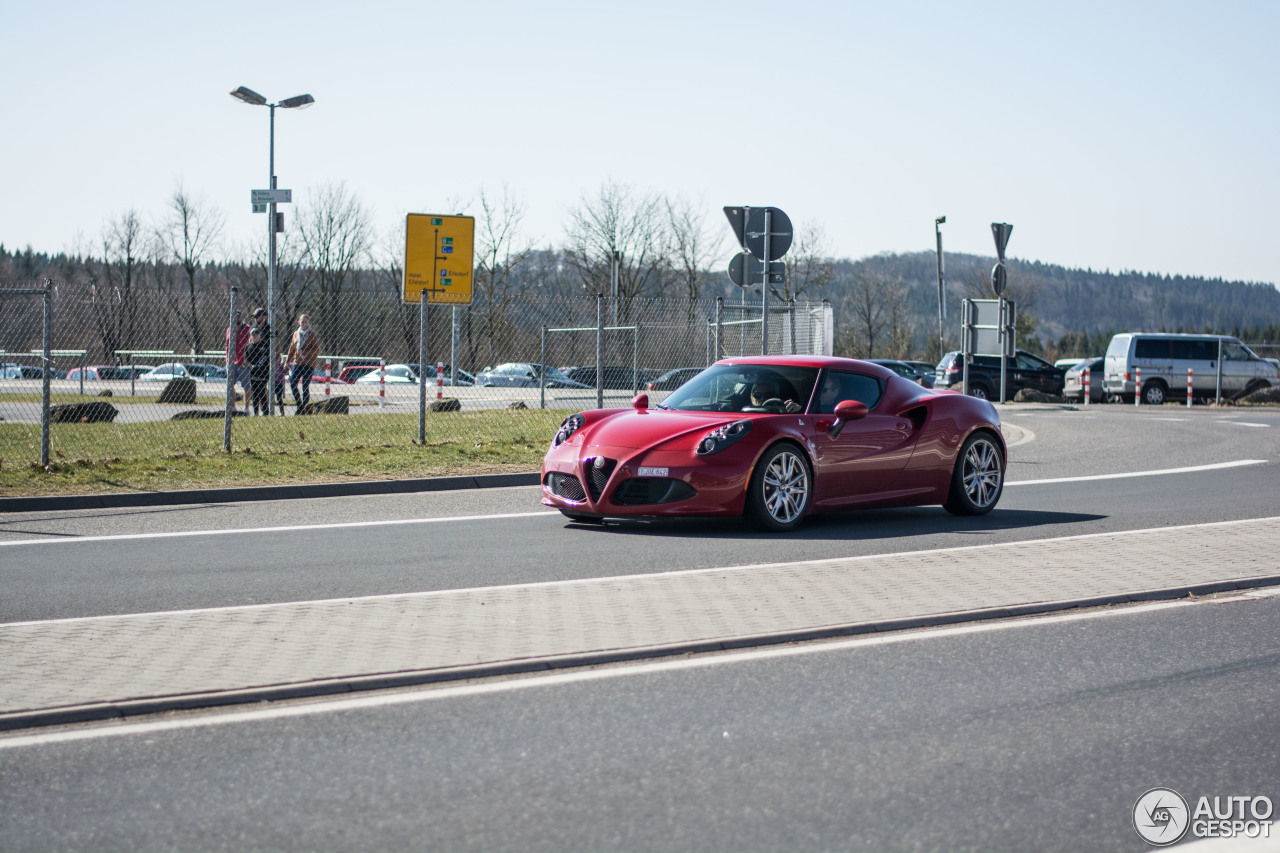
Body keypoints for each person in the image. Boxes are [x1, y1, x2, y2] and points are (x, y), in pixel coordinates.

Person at [286, 313, 320, 413]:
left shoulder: (312, 335)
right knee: (293, 384)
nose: (304, 324)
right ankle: (299, 405)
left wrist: (304, 352)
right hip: (297, 362)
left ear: (308, 323)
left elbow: (316, 350)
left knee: (305, 385)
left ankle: (305, 408)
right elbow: (292, 348)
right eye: (302, 322)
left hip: (308, 363)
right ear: (299, 322)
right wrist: (287, 360)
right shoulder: (296, 334)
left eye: (306, 322)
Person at [225, 310, 252, 414]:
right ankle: (232, 407)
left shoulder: (248, 329)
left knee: (246, 387)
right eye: (234, 317)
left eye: (238, 317)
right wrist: (227, 359)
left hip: (244, 362)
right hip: (232, 362)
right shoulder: (229, 329)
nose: (236, 319)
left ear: (241, 317)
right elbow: (227, 345)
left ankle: (246, 409)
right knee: (230, 385)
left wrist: (249, 360)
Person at [245, 328, 271, 416]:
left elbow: (267, 357)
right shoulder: (248, 347)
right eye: (253, 334)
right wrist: (251, 366)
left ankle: (265, 410)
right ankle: (256, 412)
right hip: (253, 373)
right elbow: (246, 360)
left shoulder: (265, 345)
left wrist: (259, 365)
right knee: (254, 392)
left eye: (257, 334)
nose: (255, 336)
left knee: (262, 390)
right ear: (251, 336)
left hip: (264, 372)